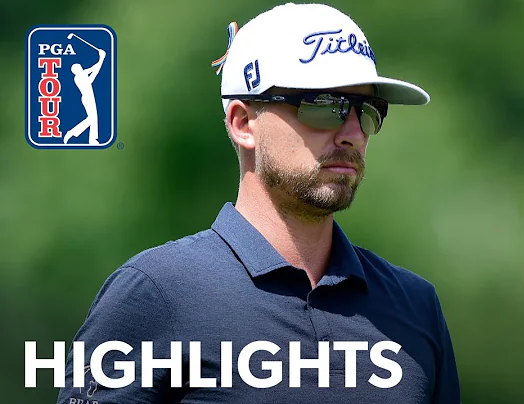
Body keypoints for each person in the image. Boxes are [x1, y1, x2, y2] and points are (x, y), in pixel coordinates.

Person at [57, 3, 461, 403]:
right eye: (324, 106)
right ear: (243, 123)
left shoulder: (415, 306)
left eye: (368, 111)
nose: (353, 133)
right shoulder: (154, 293)